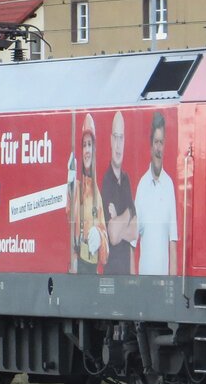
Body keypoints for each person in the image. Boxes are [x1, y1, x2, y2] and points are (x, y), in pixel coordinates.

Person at [134, 112, 178, 275]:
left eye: (161, 142)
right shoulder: (142, 187)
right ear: (151, 146)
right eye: (156, 142)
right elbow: (133, 243)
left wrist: (173, 284)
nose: (159, 148)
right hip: (144, 283)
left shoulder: (169, 186)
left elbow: (172, 242)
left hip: (164, 282)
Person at [68, 113, 107, 274]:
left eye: (90, 144)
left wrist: (99, 237)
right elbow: (69, 215)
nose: (87, 150)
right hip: (78, 266)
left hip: (92, 268)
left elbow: (104, 237)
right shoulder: (76, 188)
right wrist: (70, 187)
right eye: (84, 145)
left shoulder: (98, 194)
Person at [101, 111, 137, 275]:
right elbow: (113, 236)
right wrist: (129, 214)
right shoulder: (106, 181)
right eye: (115, 137)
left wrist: (119, 218)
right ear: (110, 140)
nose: (118, 145)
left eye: (121, 138)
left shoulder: (127, 179)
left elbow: (135, 231)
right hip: (112, 274)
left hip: (127, 277)